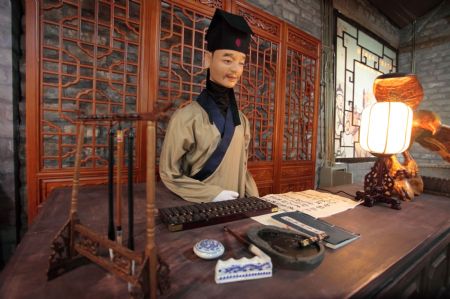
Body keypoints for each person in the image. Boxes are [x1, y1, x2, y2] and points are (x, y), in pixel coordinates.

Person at [159, 9, 259, 203]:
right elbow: (169, 173)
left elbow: (243, 168)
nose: (235, 70)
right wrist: (212, 194)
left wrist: (255, 201)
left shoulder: (242, 121)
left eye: (241, 63)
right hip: (198, 209)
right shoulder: (185, 117)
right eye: (227, 60)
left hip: (236, 209)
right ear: (207, 59)